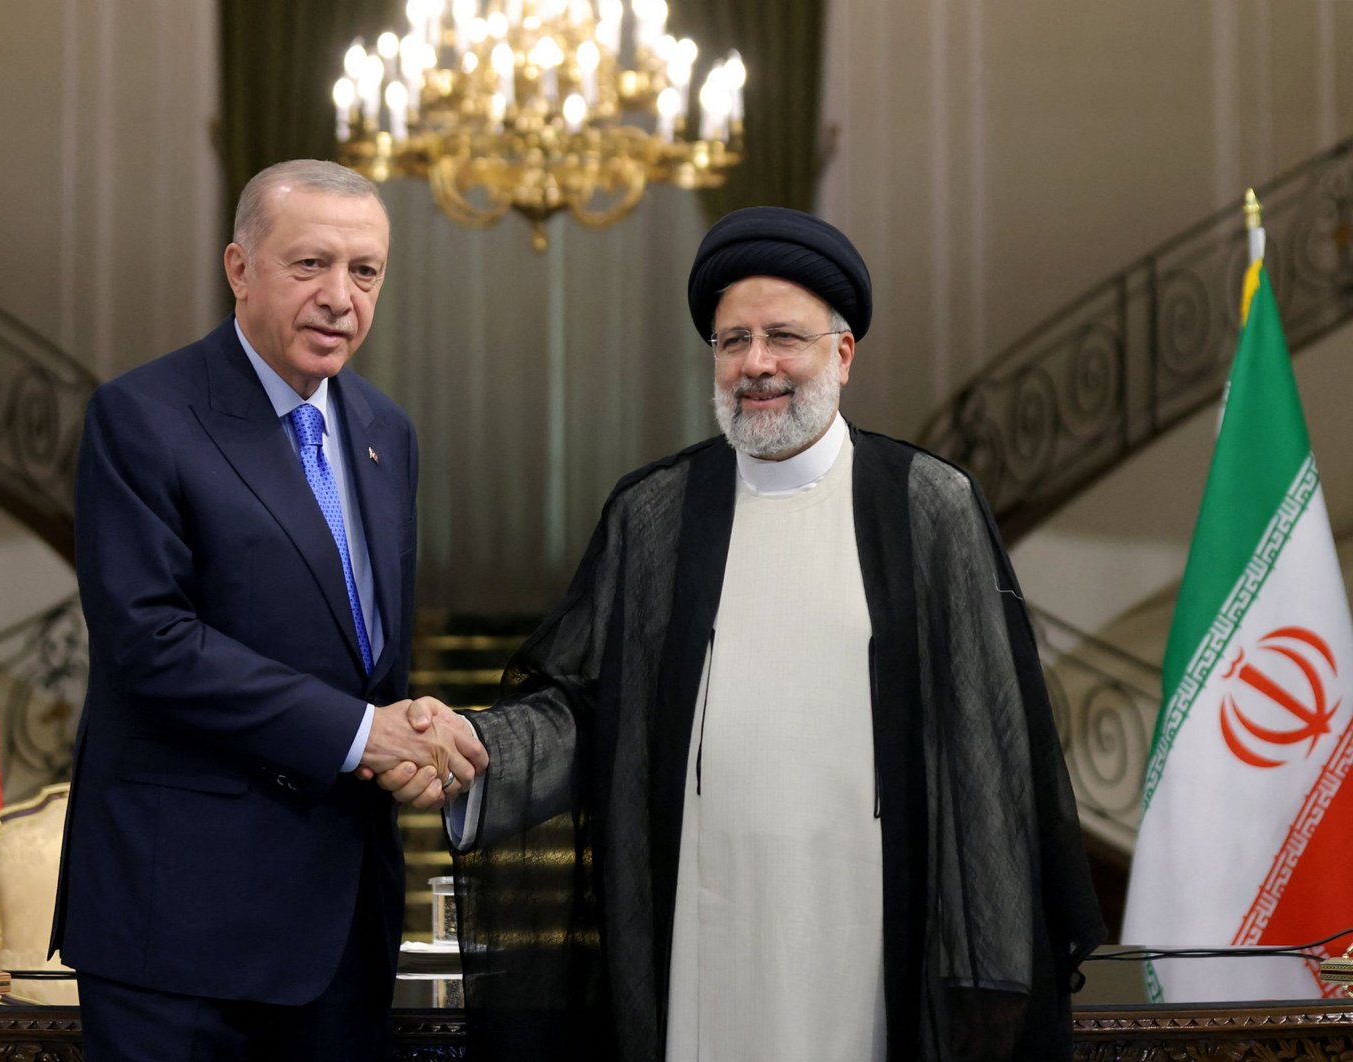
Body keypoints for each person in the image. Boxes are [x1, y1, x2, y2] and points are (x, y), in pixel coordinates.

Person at [384, 206, 1106, 1060]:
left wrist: (990, 975)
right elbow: (583, 709)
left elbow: (988, 746)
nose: (757, 364)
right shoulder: (654, 515)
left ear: (842, 353)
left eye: (783, 337)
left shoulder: (926, 507)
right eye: (733, 342)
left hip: (869, 929)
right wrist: (476, 749)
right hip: (704, 920)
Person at [51, 159, 486, 1060]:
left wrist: (408, 724)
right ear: (239, 268)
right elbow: (151, 643)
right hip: (180, 928)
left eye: (365, 272)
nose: (340, 297)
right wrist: (367, 733)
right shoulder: (142, 416)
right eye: (310, 265)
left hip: (340, 923)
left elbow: (364, 656)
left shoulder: (383, 430)